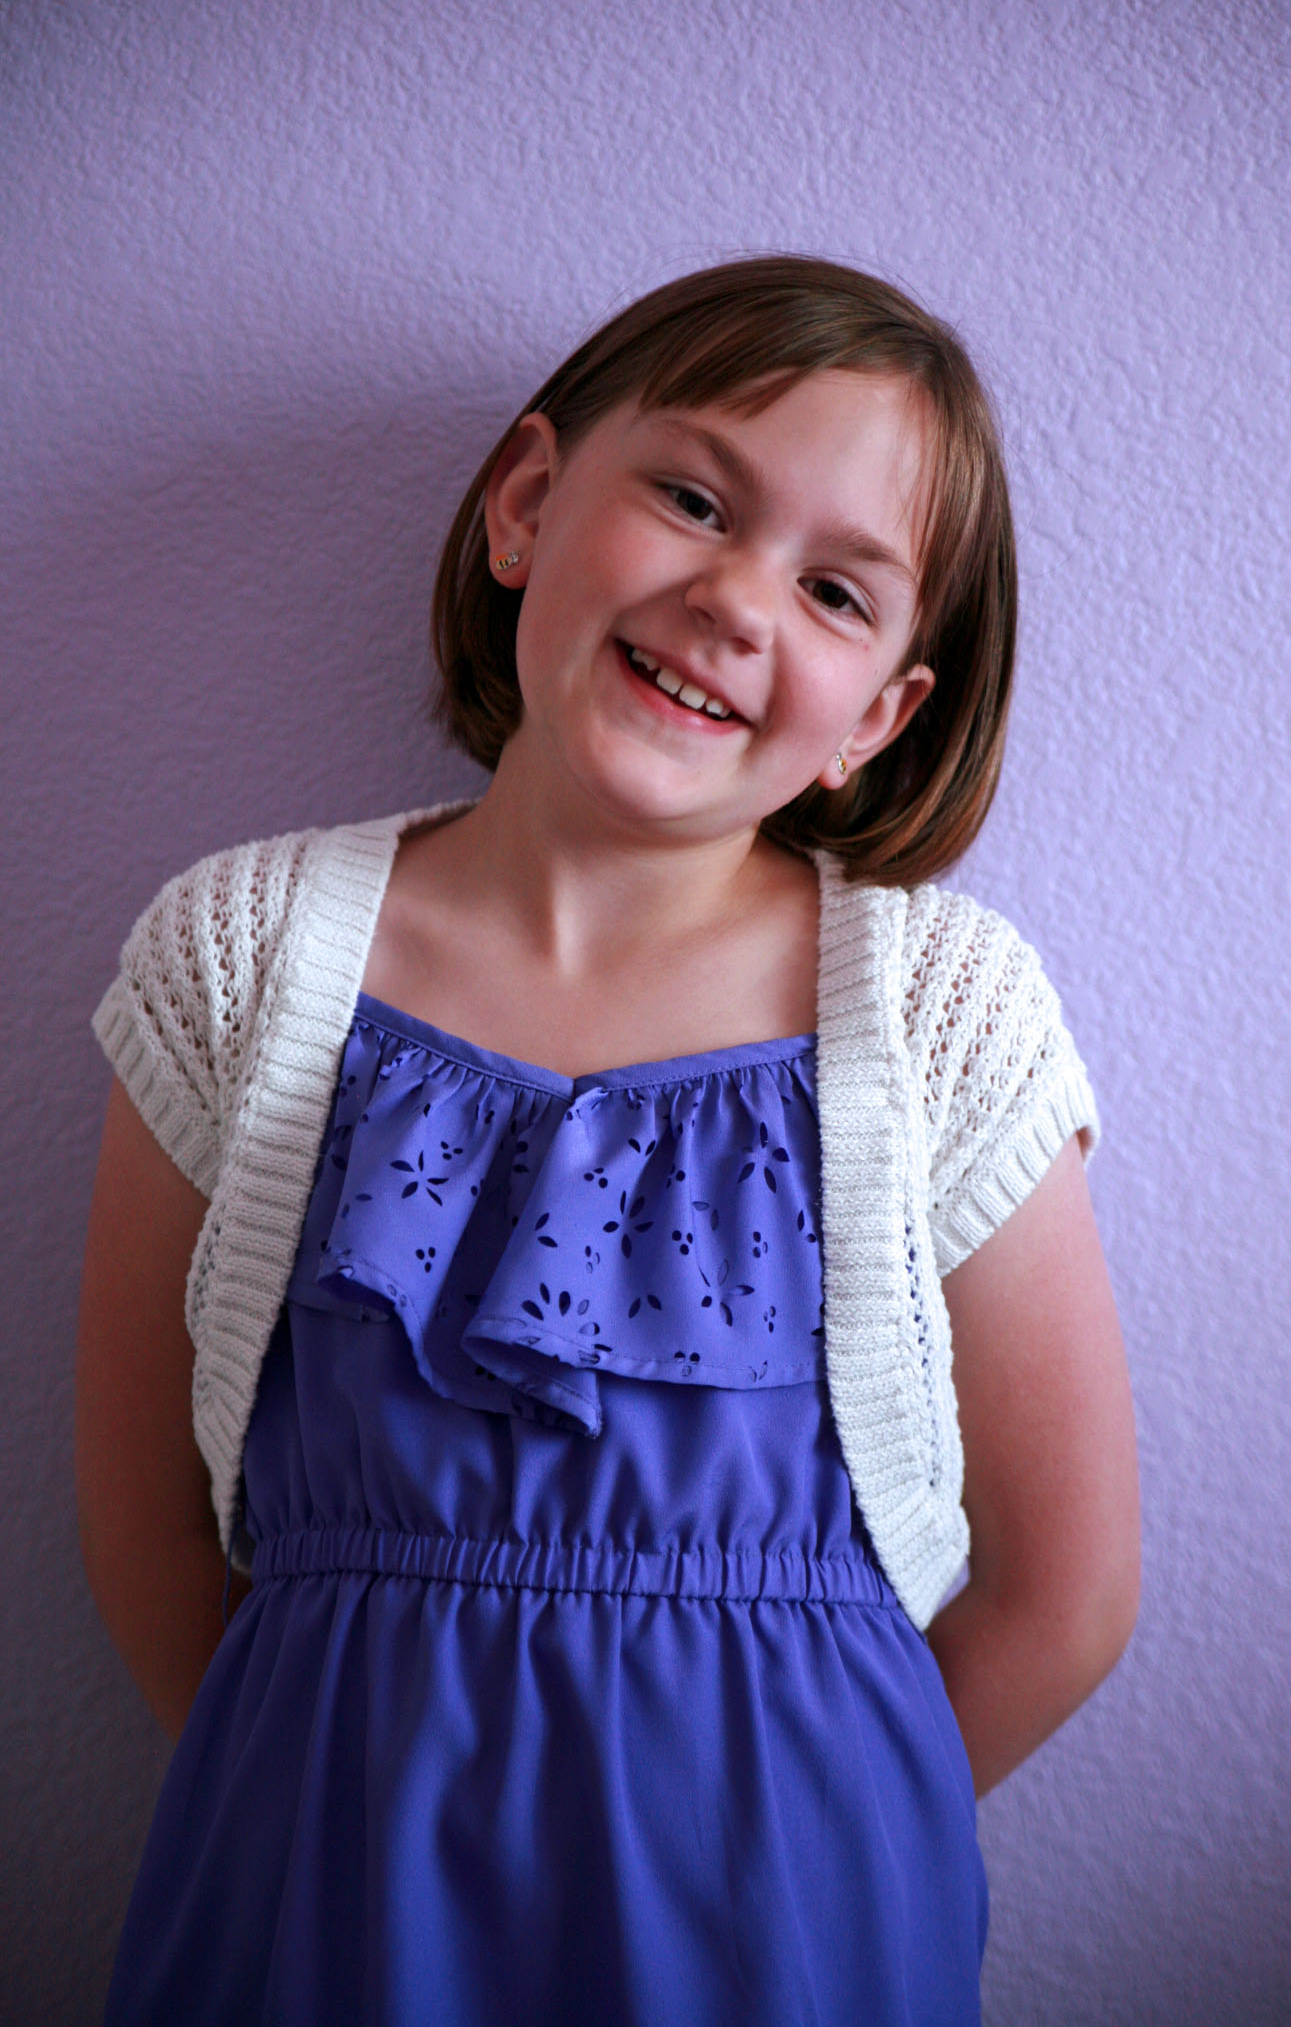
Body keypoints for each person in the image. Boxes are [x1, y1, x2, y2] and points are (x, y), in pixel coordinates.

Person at [76, 255, 1140, 2026]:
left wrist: (824, 1847)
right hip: (314, 1892)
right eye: (695, 500)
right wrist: (312, 1821)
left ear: (879, 718)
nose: (735, 601)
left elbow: (1067, 1592)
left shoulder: (944, 1013)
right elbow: (144, 1523)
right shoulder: (240, 955)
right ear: (525, 504)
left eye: (835, 591)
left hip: (787, 1931)